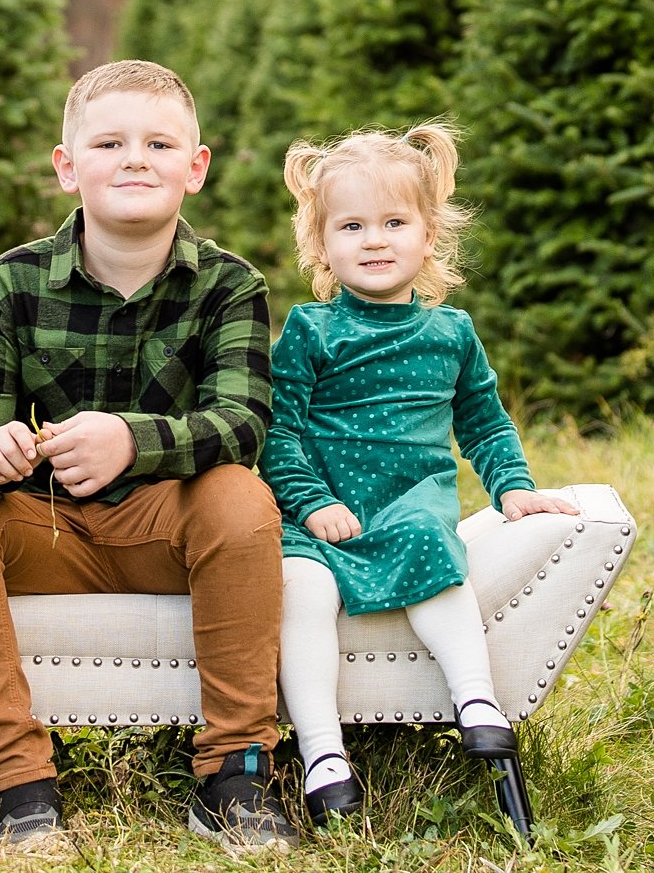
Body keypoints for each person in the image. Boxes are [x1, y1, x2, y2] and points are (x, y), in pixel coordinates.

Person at [0, 60, 301, 850]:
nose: (134, 159)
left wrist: (132, 440)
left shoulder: (229, 286)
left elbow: (245, 423)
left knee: (240, 497)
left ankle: (235, 776)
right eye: (109, 142)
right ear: (65, 166)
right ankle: (20, 787)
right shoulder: (12, 283)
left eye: (159, 143)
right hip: (43, 529)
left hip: (166, 532)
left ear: (196, 168)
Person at [262, 124, 579, 827]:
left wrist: (513, 486)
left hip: (409, 504)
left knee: (435, 548)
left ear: (429, 235)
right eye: (352, 226)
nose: (374, 240)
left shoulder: (452, 333)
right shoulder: (312, 331)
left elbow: (485, 422)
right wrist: (311, 506)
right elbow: (278, 434)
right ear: (321, 245)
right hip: (325, 513)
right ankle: (322, 752)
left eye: (394, 223)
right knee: (300, 586)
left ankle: (476, 701)